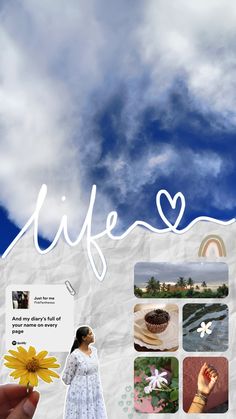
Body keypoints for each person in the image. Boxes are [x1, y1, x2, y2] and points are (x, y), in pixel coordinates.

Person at [62, 326, 107, 419]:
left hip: (94, 392)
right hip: (80, 394)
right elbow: (66, 379)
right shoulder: (75, 356)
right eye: (90, 333)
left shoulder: (94, 352)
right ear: (84, 337)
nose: (93, 335)